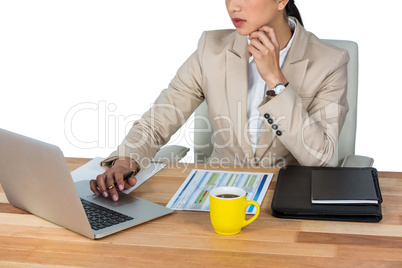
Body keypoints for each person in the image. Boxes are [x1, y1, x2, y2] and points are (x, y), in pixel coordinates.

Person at [90, 0, 349, 201]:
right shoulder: (210, 49)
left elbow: (320, 158)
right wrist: (126, 160)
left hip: (286, 200)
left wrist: (276, 81)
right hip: (216, 194)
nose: (232, 7)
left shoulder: (329, 62)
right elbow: (158, 121)